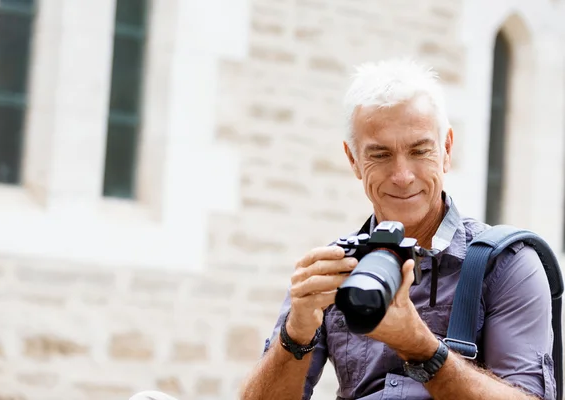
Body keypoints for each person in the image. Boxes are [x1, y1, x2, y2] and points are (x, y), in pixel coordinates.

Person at [238, 59, 556, 400]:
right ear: (353, 160)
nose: (402, 176)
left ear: (446, 149)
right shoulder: (333, 270)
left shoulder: (507, 264)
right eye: (380, 155)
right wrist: (295, 335)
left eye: (419, 150)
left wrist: (420, 347)